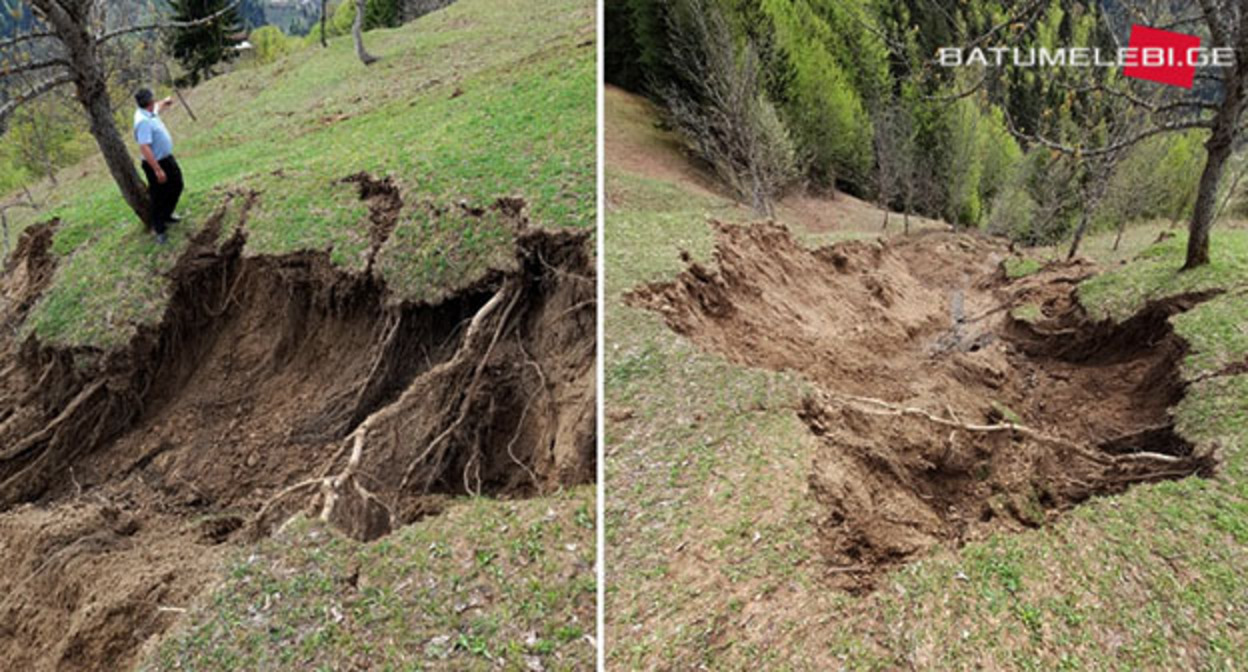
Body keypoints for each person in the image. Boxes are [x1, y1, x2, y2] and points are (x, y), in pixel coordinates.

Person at [133, 88, 183, 245]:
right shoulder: (143, 122)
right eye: (153, 100)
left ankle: (167, 215)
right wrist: (157, 169)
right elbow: (144, 147)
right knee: (158, 195)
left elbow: (157, 107)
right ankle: (159, 228)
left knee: (177, 185)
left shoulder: (148, 111)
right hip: (155, 163)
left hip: (167, 159)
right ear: (149, 102)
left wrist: (165, 102)